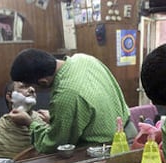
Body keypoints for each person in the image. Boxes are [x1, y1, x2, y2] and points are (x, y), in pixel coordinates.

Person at [8, 48, 137, 153]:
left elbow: (54, 145)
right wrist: (59, 120)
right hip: (130, 131)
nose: (31, 91)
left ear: (43, 82)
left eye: (32, 87)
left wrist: (30, 123)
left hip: (111, 149)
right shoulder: (84, 58)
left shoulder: (65, 96)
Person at [0, 81, 46, 158]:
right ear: (10, 97)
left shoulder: (45, 120)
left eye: (32, 86)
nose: (32, 89)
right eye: (24, 86)